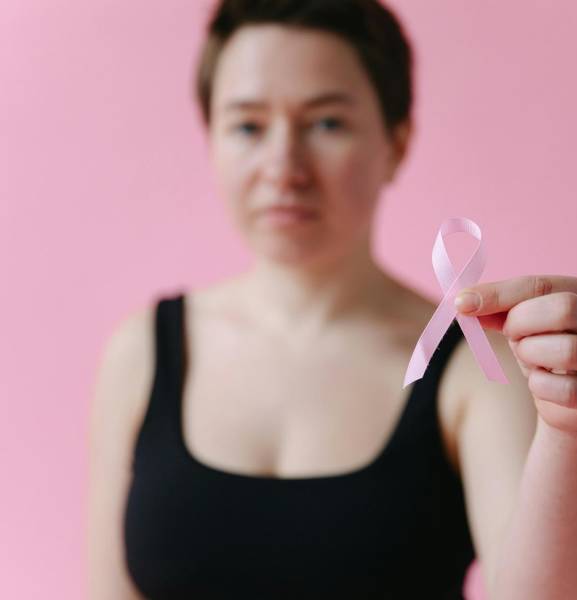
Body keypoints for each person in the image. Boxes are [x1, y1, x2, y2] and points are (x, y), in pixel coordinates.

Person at [85, 1, 542, 598]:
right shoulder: (141, 352)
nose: (283, 168)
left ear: (397, 142)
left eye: (327, 124)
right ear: (211, 140)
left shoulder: (477, 368)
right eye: (247, 127)